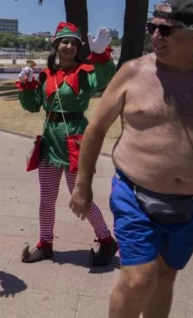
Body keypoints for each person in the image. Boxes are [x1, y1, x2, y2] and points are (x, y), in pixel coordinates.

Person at [69, 0, 193, 318]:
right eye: (152, 28)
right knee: (138, 279)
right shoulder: (132, 73)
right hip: (134, 194)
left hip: (192, 202)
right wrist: (82, 185)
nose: (156, 36)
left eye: (166, 30)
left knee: (166, 276)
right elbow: (96, 130)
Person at [15, 22, 118, 266]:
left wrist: (102, 55)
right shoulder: (45, 75)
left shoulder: (85, 72)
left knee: (80, 196)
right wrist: (28, 87)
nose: (69, 46)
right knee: (47, 198)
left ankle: (106, 240)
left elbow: (105, 79)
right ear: (55, 45)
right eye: (64, 41)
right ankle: (45, 244)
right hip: (50, 142)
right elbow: (31, 106)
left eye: (74, 42)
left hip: (76, 142)